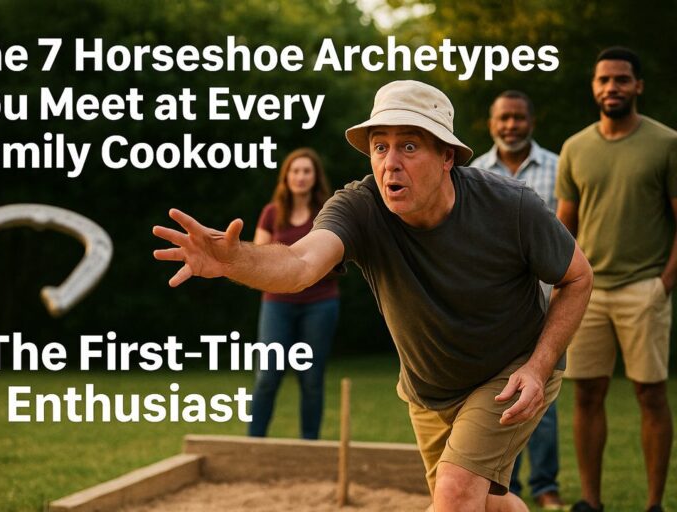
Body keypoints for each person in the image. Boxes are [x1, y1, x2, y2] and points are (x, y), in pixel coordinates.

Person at [153, 80, 593, 512]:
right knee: (486, 503)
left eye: (409, 146)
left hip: (509, 370)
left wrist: (538, 367)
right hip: (429, 388)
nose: (390, 163)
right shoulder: (360, 206)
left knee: (455, 496)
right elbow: (300, 265)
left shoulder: (510, 206)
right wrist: (234, 260)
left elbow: (577, 278)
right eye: (380, 146)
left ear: (446, 157)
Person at [556, 47, 676, 512]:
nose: (612, 88)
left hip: (644, 287)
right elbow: (565, 229)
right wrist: (559, 283)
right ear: (594, 86)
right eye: (604, 80)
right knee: (587, 392)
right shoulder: (576, 147)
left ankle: (653, 505)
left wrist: (664, 282)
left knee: (651, 394)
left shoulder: (666, 143)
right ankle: (591, 502)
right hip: (588, 291)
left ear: (638, 86)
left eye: (622, 79)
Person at [471, 90, 565, 510]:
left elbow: (568, 242)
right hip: (493, 307)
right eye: (503, 118)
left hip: (547, 302)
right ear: (492, 123)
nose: (510, 125)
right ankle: (503, 489)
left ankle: (545, 484)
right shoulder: (473, 172)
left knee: (540, 391)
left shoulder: (558, 168)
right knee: (498, 395)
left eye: (518, 118)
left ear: (531, 120)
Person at [248, 147, 339, 440]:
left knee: (311, 379)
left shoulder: (328, 211)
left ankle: (309, 447)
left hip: (320, 303)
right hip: (277, 304)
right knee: (266, 376)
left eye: (306, 171)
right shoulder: (271, 213)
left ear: (315, 177)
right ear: (286, 177)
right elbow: (257, 259)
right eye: (295, 171)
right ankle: (253, 442)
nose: (300, 177)